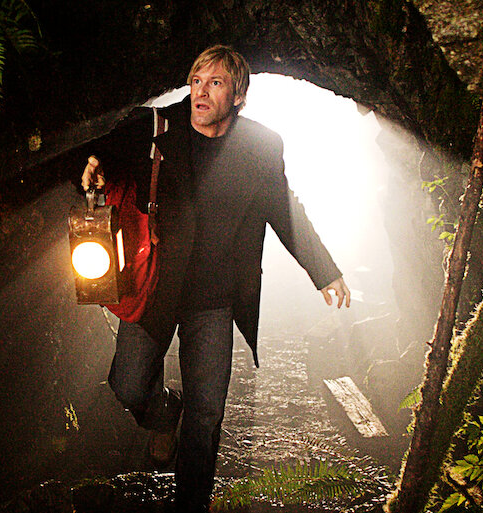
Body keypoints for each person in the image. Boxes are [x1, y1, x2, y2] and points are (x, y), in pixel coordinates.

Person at [79, 45, 351, 512]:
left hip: (215, 301)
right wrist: (93, 166)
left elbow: (285, 210)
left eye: (216, 83)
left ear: (239, 96)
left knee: (206, 417)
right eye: (197, 81)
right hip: (156, 288)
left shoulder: (262, 146)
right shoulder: (157, 127)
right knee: (129, 387)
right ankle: (165, 414)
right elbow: (102, 156)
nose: (201, 93)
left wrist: (324, 271)